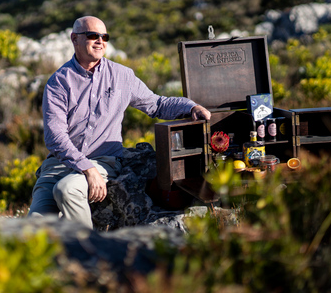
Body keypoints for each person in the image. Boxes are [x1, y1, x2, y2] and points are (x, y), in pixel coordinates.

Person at [27, 16, 211, 229]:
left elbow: (157, 104)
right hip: (59, 164)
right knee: (34, 227)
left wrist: (190, 107)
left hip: (102, 161)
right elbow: (55, 137)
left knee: (67, 190)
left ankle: (88, 253)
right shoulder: (59, 81)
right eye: (92, 35)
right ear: (74, 39)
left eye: (104, 36)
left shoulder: (122, 75)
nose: (100, 41)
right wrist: (86, 168)